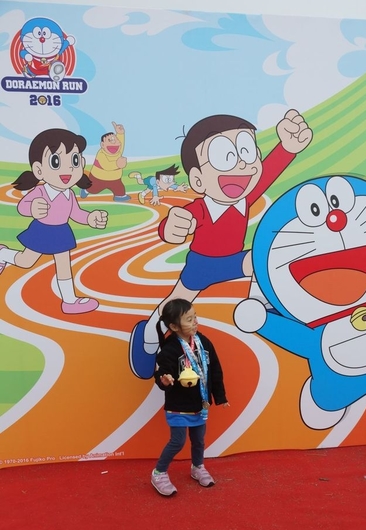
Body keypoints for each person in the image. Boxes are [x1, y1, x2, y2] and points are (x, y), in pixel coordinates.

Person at [130, 109, 312, 378]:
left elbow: (269, 172)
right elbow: (177, 222)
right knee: (174, 305)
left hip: (233, 260)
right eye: (224, 157)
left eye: (247, 152)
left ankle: (261, 305)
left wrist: (287, 147)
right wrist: (171, 227)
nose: (241, 165)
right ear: (198, 179)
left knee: (262, 258)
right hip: (201, 266)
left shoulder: (245, 197)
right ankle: (146, 337)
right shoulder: (201, 209)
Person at [0, 128, 108, 314]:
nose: (68, 169)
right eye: (56, 162)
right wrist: (32, 208)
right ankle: (3, 254)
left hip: (61, 233)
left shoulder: (69, 194)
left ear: (82, 164)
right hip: (41, 231)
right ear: (38, 170)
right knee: (25, 261)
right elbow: (22, 206)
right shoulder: (40, 191)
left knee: (64, 266)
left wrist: (90, 218)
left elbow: (76, 214)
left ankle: (69, 301)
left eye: (74, 161)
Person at [151, 298, 230, 496]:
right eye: (189, 319)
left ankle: (197, 467)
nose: (195, 322)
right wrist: (164, 380)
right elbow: (161, 373)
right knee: (177, 442)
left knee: (199, 440)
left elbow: (216, 370)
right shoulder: (170, 349)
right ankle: (159, 473)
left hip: (200, 404)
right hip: (178, 406)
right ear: (174, 326)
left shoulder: (204, 342)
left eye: (195, 317)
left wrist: (220, 396)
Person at [81, 121, 130, 202]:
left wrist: (120, 133)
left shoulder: (118, 152)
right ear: (102, 145)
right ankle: (86, 190)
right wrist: (117, 164)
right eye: (110, 140)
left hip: (115, 178)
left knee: (119, 189)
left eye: (116, 140)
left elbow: (121, 143)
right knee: (93, 189)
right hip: (98, 178)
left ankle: (119, 196)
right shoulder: (101, 154)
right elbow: (106, 165)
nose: (114, 142)